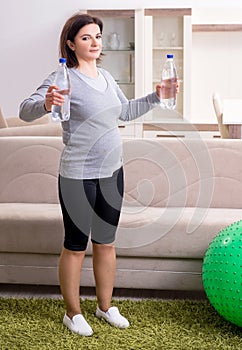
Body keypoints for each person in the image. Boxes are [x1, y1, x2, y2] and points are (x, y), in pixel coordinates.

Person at [19, 13, 165, 337]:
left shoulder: (107, 77)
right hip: (77, 176)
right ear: (71, 44)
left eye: (97, 36)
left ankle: (105, 306)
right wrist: (45, 103)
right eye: (86, 37)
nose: (95, 42)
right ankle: (73, 313)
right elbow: (24, 109)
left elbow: (125, 112)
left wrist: (157, 96)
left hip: (112, 172)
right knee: (75, 245)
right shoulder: (63, 77)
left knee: (106, 243)